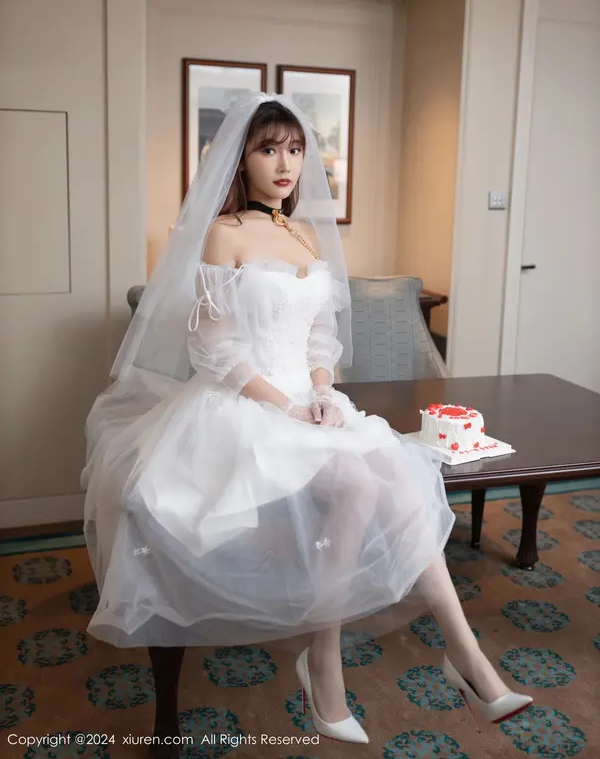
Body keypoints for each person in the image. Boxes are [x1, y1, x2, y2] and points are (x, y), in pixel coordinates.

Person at [81, 94, 532, 753]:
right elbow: (213, 349)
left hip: (309, 402)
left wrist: (322, 392)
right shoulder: (224, 233)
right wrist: (286, 407)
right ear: (242, 159)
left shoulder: (304, 236)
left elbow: (320, 335)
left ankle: (462, 656)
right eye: (268, 149)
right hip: (245, 405)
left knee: (401, 482)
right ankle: (334, 663)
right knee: (362, 483)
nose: (285, 163)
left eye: (294, 149)